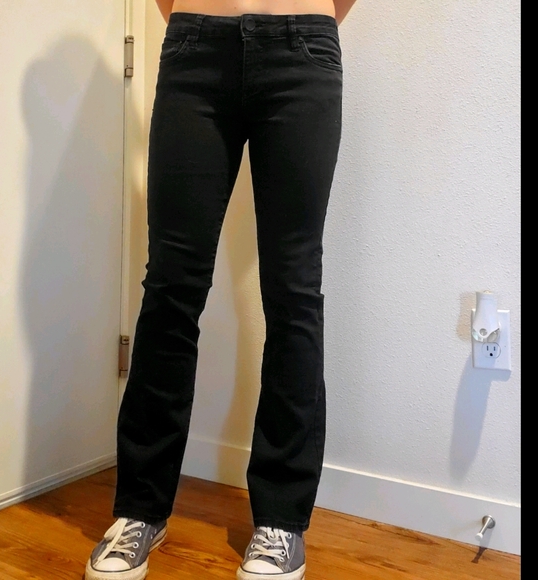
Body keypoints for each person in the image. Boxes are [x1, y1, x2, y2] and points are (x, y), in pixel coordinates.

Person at [86, 1, 356, 579]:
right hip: (195, 51)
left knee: (294, 290)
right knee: (171, 287)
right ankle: (140, 510)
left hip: (303, 52)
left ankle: (281, 522)